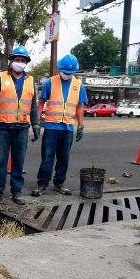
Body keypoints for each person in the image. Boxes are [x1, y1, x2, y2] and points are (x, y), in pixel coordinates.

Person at [0, 46, 39, 205]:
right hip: (2, 126)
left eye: (23, 61)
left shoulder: (30, 81)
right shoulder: (0, 78)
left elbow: (33, 106)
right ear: (11, 61)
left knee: (18, 161)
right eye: (17, 60)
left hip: (22, 127)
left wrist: (36, 125)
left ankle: (17, 191)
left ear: (26, 63)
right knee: (1, 161)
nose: (20, 63)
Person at [31, 54, 88, 197]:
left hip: (68, 128)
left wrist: (80, 125)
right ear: (60, 69)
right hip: (51, 127)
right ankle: (42, 184)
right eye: (65, 72)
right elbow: (41, 103)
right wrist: (37, 123)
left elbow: (80, 106)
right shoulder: (50, 82)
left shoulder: (78, 85)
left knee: (64, 158)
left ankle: (59, 184)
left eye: (70, 73)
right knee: (47, 157)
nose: (67, 75)